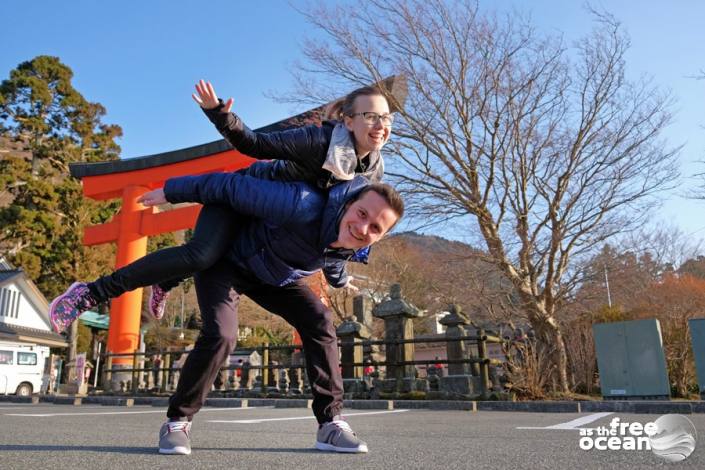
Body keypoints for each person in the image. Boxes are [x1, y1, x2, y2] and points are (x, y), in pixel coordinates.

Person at [49, 169, 404, 456]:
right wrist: (173, 192)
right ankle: (176, 421)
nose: (363, 228)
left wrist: (341, 282)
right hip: (228, 260)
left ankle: (330, 424)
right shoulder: (301, 204)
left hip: (272, 275)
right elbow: (228, 184)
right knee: (220, 326)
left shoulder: (349, 247)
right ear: (347, 203)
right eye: (361, 214)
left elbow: (336, 264)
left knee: (320, 320)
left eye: (375, 228)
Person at [50, 80, 395, 327]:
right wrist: (219, 116)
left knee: (231, 257)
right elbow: (256, 145)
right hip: (245, 195)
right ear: (348, 120)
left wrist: (338, 278)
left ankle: (166, 282)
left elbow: (334, 233)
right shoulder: (317, 140)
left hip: (275, 220)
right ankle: (90, 293)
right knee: (202, 254)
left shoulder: (372, 174)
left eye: (386, 118)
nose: (380, 125)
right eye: (370, 116)